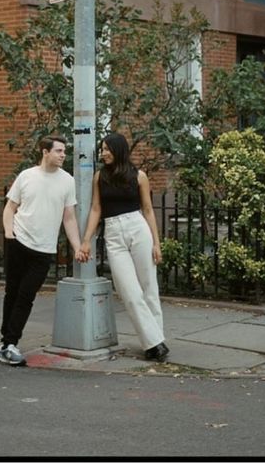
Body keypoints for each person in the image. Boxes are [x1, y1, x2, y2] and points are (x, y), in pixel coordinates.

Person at [0, 135, 87, 366]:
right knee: (12, 293)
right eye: (58, 150)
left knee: (26, 296)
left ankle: (9, 343)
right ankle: (6, 343)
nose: (63, 154)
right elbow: (10, 207)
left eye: (64, 151)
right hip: (19, 241)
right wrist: (8, 233)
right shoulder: (27, 176)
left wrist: (77, 247)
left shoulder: (67, 181)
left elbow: (69, 217)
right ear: (45, 152)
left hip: (44, 249)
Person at [79, 133, 169, 362]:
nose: (103, 153)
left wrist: (157, 243)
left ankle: (154, 343)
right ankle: (155, 340)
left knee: (149, 286)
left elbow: (148, 210)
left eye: (107, 149)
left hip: (138, 228)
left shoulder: (139, 176)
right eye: (102, 149)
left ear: (119, 150)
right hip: (113, 232)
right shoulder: (100, 177)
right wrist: (87, 239)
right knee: (129, 292)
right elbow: (96, 209)